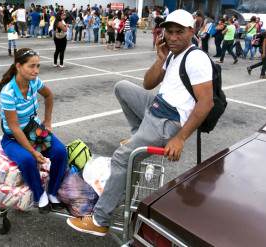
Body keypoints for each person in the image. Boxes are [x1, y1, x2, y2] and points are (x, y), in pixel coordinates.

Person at [67, 9, 214, 237]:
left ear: (191, 32)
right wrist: (161, 60)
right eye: (169, 32)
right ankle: (137, 135)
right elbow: (148, 83)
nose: (173, 37)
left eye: (179, 32)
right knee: (122, 87)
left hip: (168, 120)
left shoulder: (196, 58)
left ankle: (100, 220)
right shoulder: (173, 54)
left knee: (121, 157)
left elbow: (206, 103)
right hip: (156, 106)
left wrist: (179, 138)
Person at [0, 48, 67, 214]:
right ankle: (39, 195)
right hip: (13, 138)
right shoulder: (8, 92)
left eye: (38, 66)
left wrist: (47, 121)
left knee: (60, 152)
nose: (36, 70)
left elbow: (49, 96)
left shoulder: (35, 82)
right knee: (27, 159)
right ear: (18, 66)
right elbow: (14, 127)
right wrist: (34, 152)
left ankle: (53, 192)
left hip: (35, 131)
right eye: (32, 66)